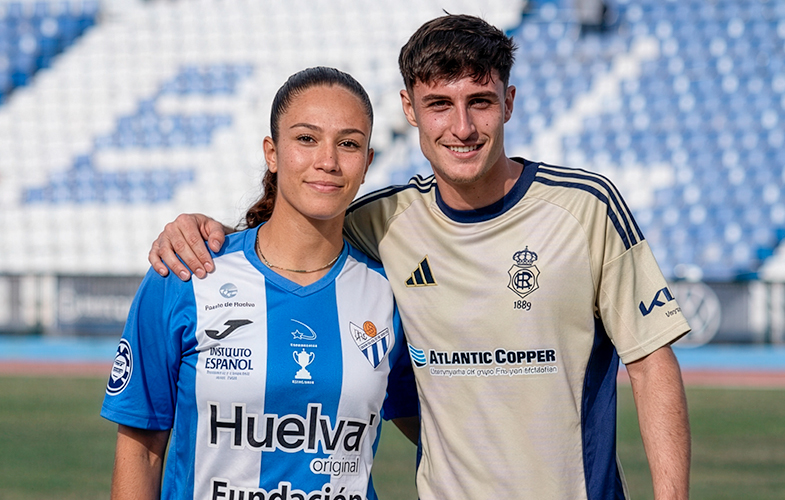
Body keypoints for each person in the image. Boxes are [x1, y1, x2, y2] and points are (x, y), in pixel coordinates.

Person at [148, 15, 692, 500]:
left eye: (480, 102)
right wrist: (208, 232)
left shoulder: (587, 208)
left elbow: (651, 364)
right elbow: (289, 235)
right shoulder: (382, 222)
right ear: (410, 109)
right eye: (439, 105)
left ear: (508, 102)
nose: (462, 127)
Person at [101, 66, 418, 500]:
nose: (327, 160)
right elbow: (141, 453)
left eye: (348, 144)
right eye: (306, 139)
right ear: (272, 153)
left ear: (367, 163)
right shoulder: (186, 274)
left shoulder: (390, 294)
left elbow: (444, 436)